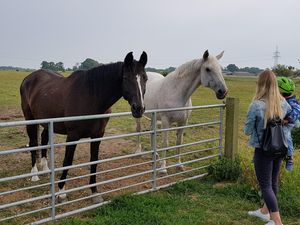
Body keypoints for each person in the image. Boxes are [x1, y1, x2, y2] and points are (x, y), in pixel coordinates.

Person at [244, 70, 291, 225]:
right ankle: (265, 211)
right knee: (273, 182)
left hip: (263, 150)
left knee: (265, 184)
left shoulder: (256, 105)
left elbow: (247, 131)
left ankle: (277, 222)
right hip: (279, 147)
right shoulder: (283, 102)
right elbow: (288, 118)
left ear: (260, 84)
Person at [277, 76, 300, 171]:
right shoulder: (282, 100)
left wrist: (286, 120)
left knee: (286, 136)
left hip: (289, 123)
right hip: (281, 123)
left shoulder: (293, 102)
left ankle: (289, 157)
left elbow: (295, 114)